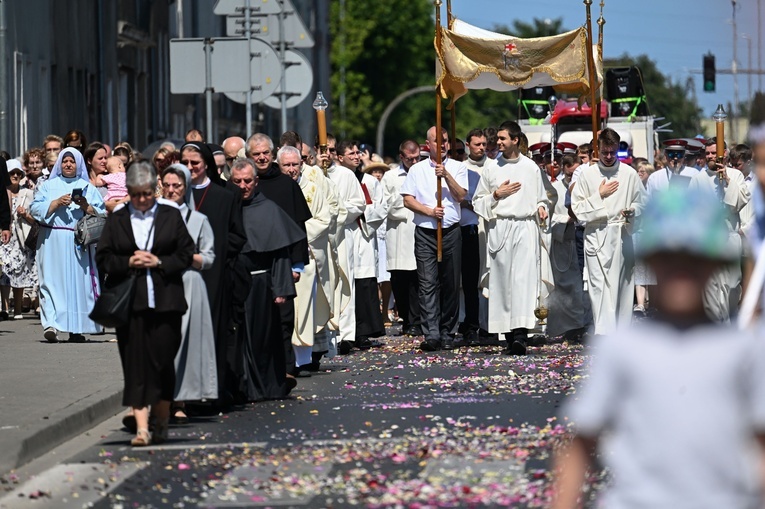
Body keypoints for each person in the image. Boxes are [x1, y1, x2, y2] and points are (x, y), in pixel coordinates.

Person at [552, 186, 765, 509]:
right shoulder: (621, 348)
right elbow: (582, 443)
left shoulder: (741, 350)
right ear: (650, 260)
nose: (681, 274)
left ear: (715, 263)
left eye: (694, 260)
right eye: (669, 259)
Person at [95, 161, 194, 447]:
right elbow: (104, 257)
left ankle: (161, 420)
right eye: (136, 194)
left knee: (162, 362)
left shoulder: (170, 215)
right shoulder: (118, 218)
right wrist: (128, 261)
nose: (141, 200)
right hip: (131, 303)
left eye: (146, 194)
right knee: (135, 364)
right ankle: (141, 429)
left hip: (166, 302)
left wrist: (159, 261)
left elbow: (186, 254)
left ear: (155, 190)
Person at [230, 158, 304, 401]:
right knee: (238, 340)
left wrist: (281, 289)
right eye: (237, 181)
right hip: (234, 285)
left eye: (247, 181)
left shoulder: (270, 209)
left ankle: (266, 387)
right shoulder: (228, 209)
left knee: (263, 340)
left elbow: (280, 254)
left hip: (262, 285)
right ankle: (242, 388)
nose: (243, 186)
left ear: (256, 181)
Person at [473, 121, 549, 355]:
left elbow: (541, 197)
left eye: (503, 139)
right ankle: (507, 334)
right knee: (503, 283)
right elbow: (477, 201)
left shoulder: (530, 167)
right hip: (500, 227)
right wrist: (496, 194)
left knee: (523, 282)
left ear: (516, 140)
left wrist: (541, 207)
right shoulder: (491, 167)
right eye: (498, 139)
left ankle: (520, 334)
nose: (498, 142)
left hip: (525, 227)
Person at [179, 141, 246, 403]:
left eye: (194, 163)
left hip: (215, 275)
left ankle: (211, 392)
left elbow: (238, 236)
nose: (189, 168)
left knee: (213, 332)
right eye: (184, 163)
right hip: (180, 275)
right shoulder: (174, 195)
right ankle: (184, 394)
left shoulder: (225, 196)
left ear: (205, 164)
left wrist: (212, 247)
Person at [245, 133, 312, 371]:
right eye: (256, 154)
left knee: (283, 319)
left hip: (283, 261)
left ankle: (286, 370)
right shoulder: (244, 185)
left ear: (272, 154)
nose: (262, 158)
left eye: (266, 153)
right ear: (248, 157)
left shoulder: (286, 184)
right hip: (252, 263)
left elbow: (298, 227)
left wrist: (297, 264)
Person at [571, 128, 645, 336]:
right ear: (598, 148)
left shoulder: (629, 174)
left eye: (613, 152)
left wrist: (632, 212)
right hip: (596, 235)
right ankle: (604, 333)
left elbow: (643, 203)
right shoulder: (587, 174)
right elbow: (577, 210)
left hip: (621, 234)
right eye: (605, 152)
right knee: (598, 287)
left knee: (622, 286)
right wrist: (599, 195)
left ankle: (621, 333)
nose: (609, 157)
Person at [401, 126, 468, 351]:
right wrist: (429, 211)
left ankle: (448, 331)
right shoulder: (417, 170)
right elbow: (408, 200)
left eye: (445, 141)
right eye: (437, 142)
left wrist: (445, 175)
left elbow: (460, 195)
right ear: (427, 145)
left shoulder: (458, 167)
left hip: (450, 231)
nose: (442, 145)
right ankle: (432, 333)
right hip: (426, 232)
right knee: (427, 283)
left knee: (450, 283)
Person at [160, 164, 218, 421]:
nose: (171, 190)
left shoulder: (198, 220)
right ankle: (161, 400)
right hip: (159, 284)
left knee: (185, 343)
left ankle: (180, 400)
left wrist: (187, 257)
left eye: (177, 186)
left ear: (186, 188)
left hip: (189, 285)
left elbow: (209, 258)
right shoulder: (151, 217)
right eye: (167, 185)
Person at [30, 148, 106, 342]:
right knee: (51, 283)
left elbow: (101, 212)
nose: (68, 164)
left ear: (79, 163)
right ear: (59, 164)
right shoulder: (48, 186)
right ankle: (51, 325)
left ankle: (76, 328)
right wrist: (55, 203)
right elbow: (35, 208)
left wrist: (84, 205)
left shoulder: (87, 186)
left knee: (77, 286)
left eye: (72, 161)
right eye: (65, 161)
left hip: (78, 242)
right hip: (51, 240)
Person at [277, 146, 334, 371]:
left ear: (301, 164)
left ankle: (303, 359)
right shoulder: (274, 189)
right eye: (286, 165)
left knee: (306, 309)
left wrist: (296, 233)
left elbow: (323, 218)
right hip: (282, 255)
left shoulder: (311, 188)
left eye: (295, 164)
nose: (291, 169)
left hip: (306, 256)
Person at [689, 137, 750, 322]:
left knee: (732, 286)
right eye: (707, 153)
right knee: (711, 287)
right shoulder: (697, 178)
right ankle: (715, 329)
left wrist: (728, 181)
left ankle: (731, 321)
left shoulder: (736, 175)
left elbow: (738, 203)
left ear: (722, 154)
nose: (710, 156)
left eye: (713, 153)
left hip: (730, 236)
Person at [325, 139, 366, 353]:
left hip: (342, 232)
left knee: (345, 280)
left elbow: (358, 204)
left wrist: (338, 212)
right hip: (319, 236)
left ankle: (346, 334)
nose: (328, 154)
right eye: (325, 150)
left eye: (331, 150)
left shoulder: (345, 175)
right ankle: (325, 332)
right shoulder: (313, 174)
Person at [461, 128, 499, 341]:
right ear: (468, 145)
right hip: (471, 228)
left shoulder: (494, 167)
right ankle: (471, 322)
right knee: (471, 279)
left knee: (492, 276)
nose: (482, 148)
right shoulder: (461, 168)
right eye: (478, 144)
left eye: (484, 144)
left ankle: (491, 324)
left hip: (491, 226)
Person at [546, 154, 588, 342]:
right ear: (563, 168)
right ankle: (567, 327)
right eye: (569, 174)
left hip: (585, 238)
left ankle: (583, 324)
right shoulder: (554, 188)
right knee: (567, 286)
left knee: (585, 285)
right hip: (564, 241)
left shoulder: (586, 182)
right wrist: (567, 219)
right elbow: (548, 216)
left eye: (574, 173)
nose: (572, 178)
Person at [383, 140, 421, 337]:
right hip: (398, 233)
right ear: (401, 157)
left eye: (417, 158)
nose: (414, 162)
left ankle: (418, 320)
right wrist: (408, 201)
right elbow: (387, 206)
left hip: (419, 230)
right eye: (410, 159)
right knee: (400, 280)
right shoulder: (390, 177)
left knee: (419, 280)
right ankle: (407, 318)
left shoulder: (424, 172)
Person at [0, 161, 37, 319]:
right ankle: (4, 306)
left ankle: (18, 309)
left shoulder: (27, 193)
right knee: (4, 271)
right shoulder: (5, 192)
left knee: (19, 270)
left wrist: (23, 214)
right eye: (12, 173)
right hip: (5, 237)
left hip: (19, 238)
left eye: (18, 173)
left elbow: (34, 218)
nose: (15, 176)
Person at [633, 160, 657, 314]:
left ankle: (654, 303)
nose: (639, 173)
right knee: (640, 268)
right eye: (638, 171)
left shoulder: (653, 189)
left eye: (643, 171)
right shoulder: (635, 188)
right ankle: (640, 303)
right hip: (639, 232)